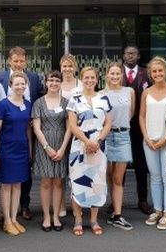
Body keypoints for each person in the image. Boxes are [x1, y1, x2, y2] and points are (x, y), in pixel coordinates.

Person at [0, 46, 43, 221]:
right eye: (15, 60)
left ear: (26, 61)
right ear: (9, 61)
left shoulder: (34, 78)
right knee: (6, 179)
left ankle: (24, 205)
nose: (18, 64)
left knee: (25, 174)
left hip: (26, 132)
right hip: (6, 134)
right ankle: (5, 213)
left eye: (22, 61)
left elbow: (40, 100)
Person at [67, 66, 112, 236]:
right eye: (86, 77)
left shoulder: (104, 98)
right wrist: (87, 141)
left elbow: (108, 123)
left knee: (96, 183)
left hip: (99, 146)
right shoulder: (74, 100)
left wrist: (97, 142)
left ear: (97, 79)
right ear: (82, 79)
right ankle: (78, 219)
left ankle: (94, 220)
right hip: (79, 146)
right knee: (77, 182)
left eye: (92, 77)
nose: (90, 80)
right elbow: (72, 125)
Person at [139, 57, 166, 230]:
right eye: (154, 71)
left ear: (165, 71)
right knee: (154, 177)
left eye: (160, 70)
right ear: (150, 74)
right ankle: (157, 210)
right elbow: (141, 116)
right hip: (150, 142)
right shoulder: (146, 92)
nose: (157, 73)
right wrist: (146, 137)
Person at [32, 70, 72, 232]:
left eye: (57, 80)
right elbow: (36, 128)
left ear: (61, 83)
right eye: (51, 80)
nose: (54, 83)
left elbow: (70, 128)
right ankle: (46, 217)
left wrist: (62, 149)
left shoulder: (66, 103)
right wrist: (47, 148)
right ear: (46, 82)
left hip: (62, 144)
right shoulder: (38, 103)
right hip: (44, 145)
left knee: (59, 182)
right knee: (46, 182)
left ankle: (56, 216)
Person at [0, 71, 32, 236]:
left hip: (22, 149)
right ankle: (7, 220)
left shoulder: (28, 104)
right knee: (6, 185)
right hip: (6, 149)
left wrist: (30, 150)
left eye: (23, 84)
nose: (20, 86)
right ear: (10, 85)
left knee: (18, 185)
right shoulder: (3, 104)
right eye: (17, 84)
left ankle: (14, 218)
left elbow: (28, 129)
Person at [103, 62, 135, 230]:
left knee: (118, 177)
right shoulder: (101, 94)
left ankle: (117, 215)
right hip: (106, 136)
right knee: (108, 174)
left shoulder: (129, 91)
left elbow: (131, 112)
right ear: (107, 75)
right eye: (112, 73)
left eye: (118, 74)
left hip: (123, 136)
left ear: (122, 75)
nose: (115, 76)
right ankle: (112, 204)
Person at [122, 44, 153, 214]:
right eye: (128, 54)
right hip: (120, 125)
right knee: (119, 165)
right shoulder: (116, 73)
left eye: (133, 53)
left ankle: (142, 200)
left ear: (139, 56)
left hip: (140, 125)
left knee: (141, 164)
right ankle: (117, 201)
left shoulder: (147, 73)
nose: (130, 56)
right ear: (123, 56)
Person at [57, 53, 81, 218]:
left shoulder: (81, 84)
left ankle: (77, 203)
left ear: (75, 67)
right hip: (60, 130)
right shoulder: (56, 85)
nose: (67, 69)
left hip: (79, 131)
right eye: (64, 66)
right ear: (61, 68)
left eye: (70, 66)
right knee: (61, 171)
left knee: (77, 169)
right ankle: (60, 204)